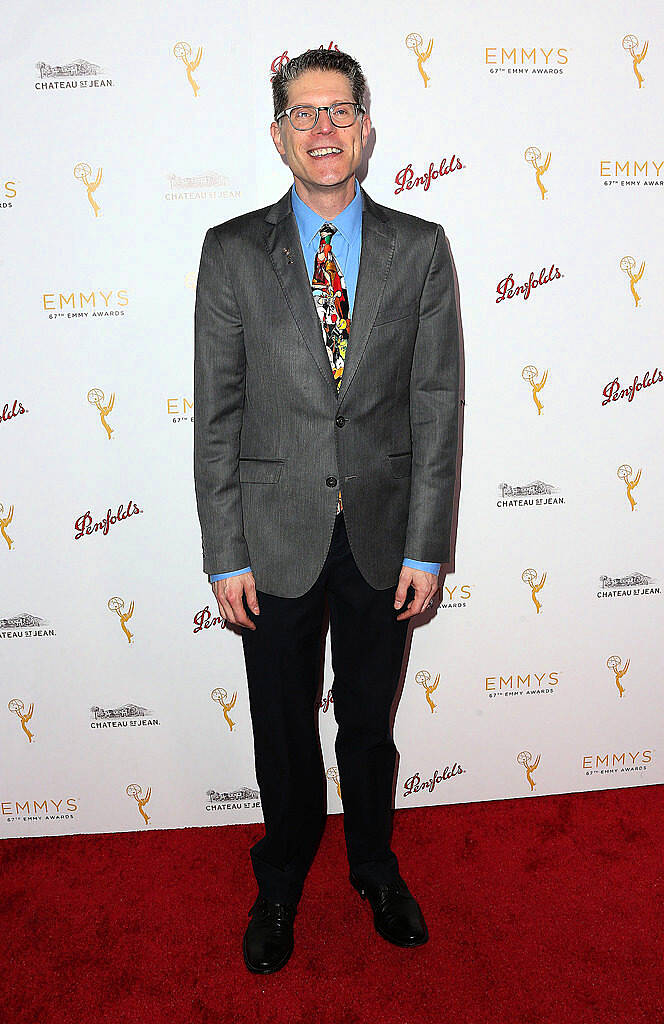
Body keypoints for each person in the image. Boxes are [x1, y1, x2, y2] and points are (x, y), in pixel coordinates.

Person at [194, 48, 460, 974]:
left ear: (367, 126)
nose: (322, 129)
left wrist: (429, 546)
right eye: (302, 113)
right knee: (280, 724)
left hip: (384, 534)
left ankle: (375, 866)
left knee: (369, 727)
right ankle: (279, 881)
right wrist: (223, 554)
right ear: (277, 135)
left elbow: (436, 406)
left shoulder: (421, 248)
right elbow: (218, 412)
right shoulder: (230, 252)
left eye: (339, 110)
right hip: (271, 536)